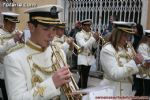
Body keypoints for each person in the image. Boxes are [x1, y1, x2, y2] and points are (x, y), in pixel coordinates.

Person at [4, 5, 72, 100]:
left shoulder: (59, 52)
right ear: (31, 27)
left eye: (54, 29)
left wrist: (71, 92)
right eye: (45, 29)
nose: (52, 35)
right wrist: (52, 83)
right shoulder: (13, 59)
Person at [99, 21, 150, 96]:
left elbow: (135, 70)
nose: (127, 39)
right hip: (111, 92)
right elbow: (115, 74)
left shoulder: (128, 49)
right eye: (125, 35)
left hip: (126, 92)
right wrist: (134, 62)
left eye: (129, 36)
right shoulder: (107, 49)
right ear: (117, 35)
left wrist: (144, 67)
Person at [0, 12, 22, 100]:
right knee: (7, 96)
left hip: (18, 69)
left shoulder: (18, 32)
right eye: (11, 23)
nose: (14, 25)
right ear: (5, 22)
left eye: (15, 23)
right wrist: (13, 40)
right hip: (4, 72)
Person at [75, 19, 99, 89]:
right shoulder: (79, 35)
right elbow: (84, 46)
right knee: (84, 78)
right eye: (87, 26)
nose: (89, 27)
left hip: (89, 58)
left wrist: (96, 41)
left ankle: (77, 89)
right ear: (83, 26)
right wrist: (93, 39)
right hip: (82, 58)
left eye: (89, 25)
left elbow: (94, 47)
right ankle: (83, 93)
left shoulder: (91, 34)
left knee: (84, 77)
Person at [134, 30, 150, 96]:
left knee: (146, 93)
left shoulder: (148, 46)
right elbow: (145, 59)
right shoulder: (142, 46)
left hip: (148, 75)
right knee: (141, 93)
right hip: (142, 75)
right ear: (148, 37)